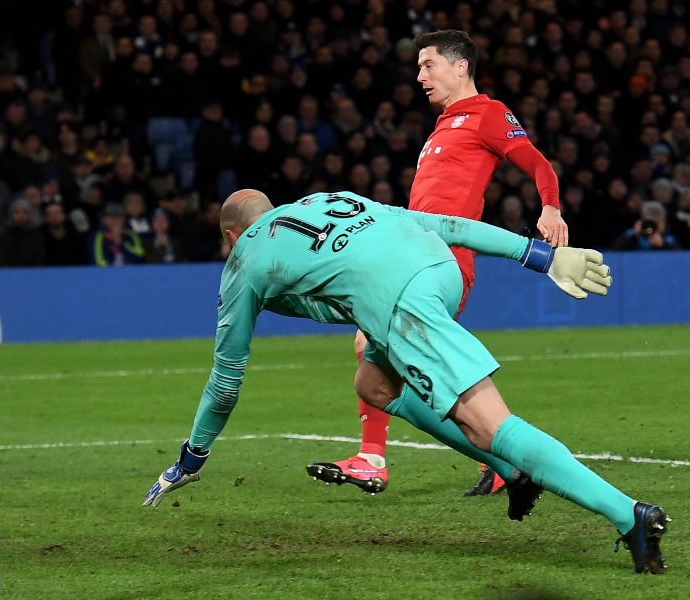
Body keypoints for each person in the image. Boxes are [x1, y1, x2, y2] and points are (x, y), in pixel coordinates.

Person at [143, 189, 668, 576]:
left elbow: (227, 379)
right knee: (373, 382)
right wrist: (541, 255)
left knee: (489, 423)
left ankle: (629, 516)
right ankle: (508, 466)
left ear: (230, 237)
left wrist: (194, 456)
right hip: (438, 269)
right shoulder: (327, 200)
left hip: (400, 300)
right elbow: (445, 224)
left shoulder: (243, 260)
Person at [308, 30, 570, 498]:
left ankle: (381, 459)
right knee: (379, 357)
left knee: (391, 361)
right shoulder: (441, 127)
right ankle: (492, 464)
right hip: (408, 258)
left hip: (441, 264)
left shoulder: (488, 114)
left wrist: (549, 206)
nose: (420, 75)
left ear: (460, 66)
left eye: (429, 65)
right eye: (419, 67)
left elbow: (538, 164)